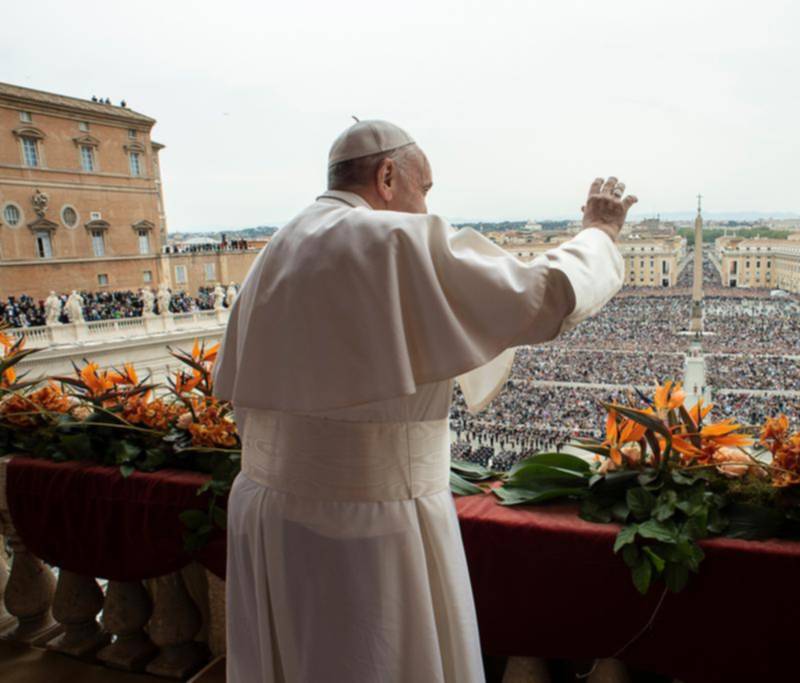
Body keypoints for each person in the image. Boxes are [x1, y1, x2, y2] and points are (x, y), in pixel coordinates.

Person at [213, 119, 636, 682]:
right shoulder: (389, 238)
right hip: (368, 523)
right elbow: (541, 295)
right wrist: (599, 235)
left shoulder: (275, 250)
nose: (426, 205)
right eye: (426, 188)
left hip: (268, 515)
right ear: (387, 176)